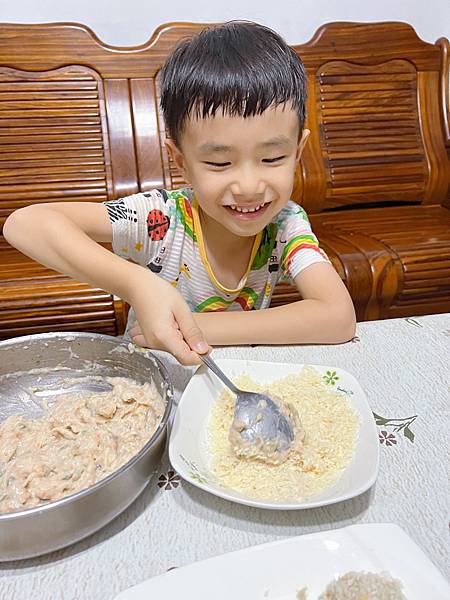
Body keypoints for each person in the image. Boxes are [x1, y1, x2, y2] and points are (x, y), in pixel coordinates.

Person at [3, 21, 356, 366]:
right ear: (181, 163)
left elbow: (337, 316)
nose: (249, 186)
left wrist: (198, 325)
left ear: (297, 152)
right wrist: (138, 285)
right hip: (153, 381)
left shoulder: (285, 224)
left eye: (272, 158)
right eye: (219, 162)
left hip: (235, 376)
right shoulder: (160, 218)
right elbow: (25, 223)